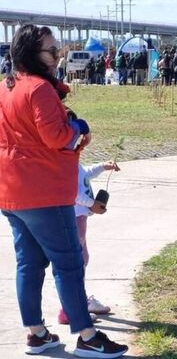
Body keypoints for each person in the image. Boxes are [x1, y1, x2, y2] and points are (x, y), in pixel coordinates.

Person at [0, 24, 128, 358]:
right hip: (44, 193)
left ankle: (37, 333)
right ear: (32, 53)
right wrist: (77, 130)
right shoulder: (41, 89)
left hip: (12, 193)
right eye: (52, 51)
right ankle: (87, 336)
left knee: (28, 264)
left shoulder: (5, 87)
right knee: (69, 263)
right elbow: (56, 136)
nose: (57, 57)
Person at [58, 150, 120, 325]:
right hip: (74, 217)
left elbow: (85, 174)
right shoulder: (64, 163)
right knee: (75, 262)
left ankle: (81, 300)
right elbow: (72, 192)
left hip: (80, 217)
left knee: (83, 259)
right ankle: (69, 309)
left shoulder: (73, 161)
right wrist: (92, 204)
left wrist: (102, 167)